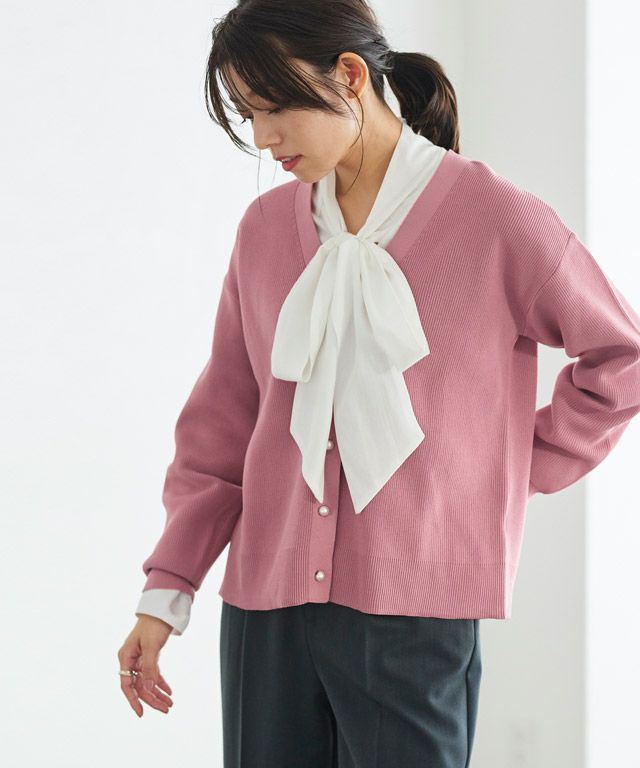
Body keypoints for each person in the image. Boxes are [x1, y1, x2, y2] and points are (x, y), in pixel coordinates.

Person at [117, 1, 640, 766]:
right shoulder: (263, 232)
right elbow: (221, 427)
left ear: (350, 75)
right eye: (247, 115)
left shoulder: (496, 218)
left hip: (418, 611)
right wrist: (167, 592)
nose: (262, 138)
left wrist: (507, 468)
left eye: (275, 108)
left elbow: (623, 356)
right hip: (267, 611)